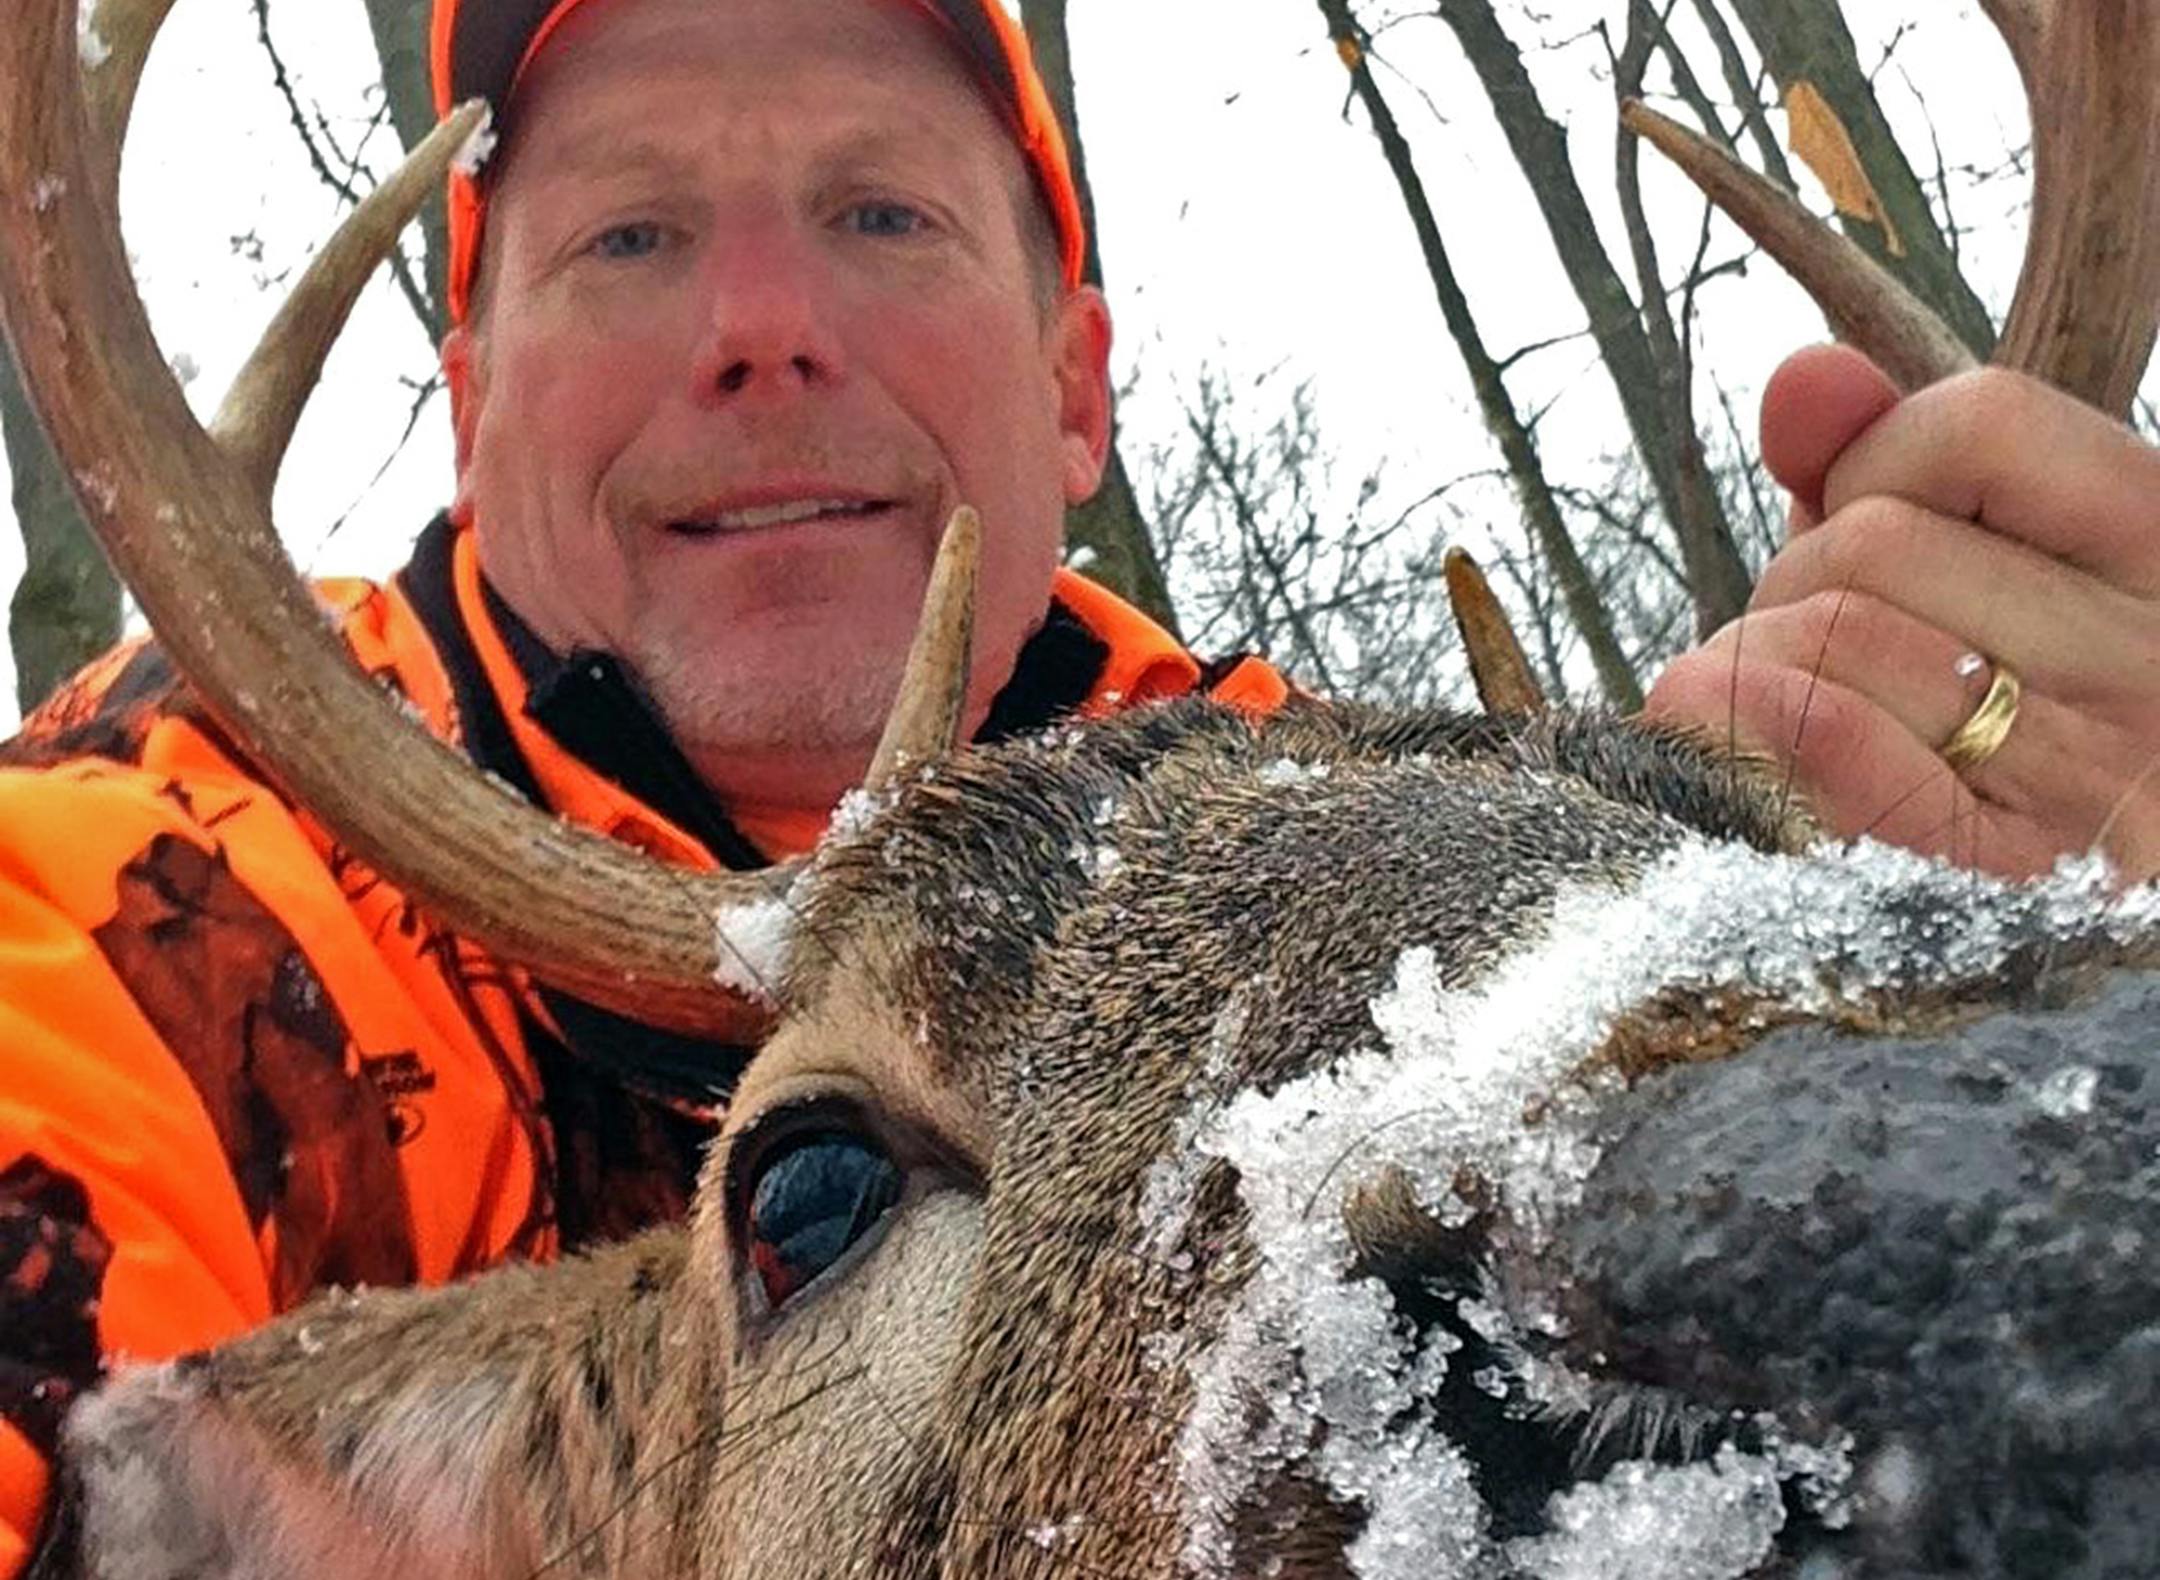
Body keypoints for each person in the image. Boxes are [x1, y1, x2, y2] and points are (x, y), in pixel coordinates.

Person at [1, 0, 2155, 1568]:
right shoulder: (138, 911)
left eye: (879, 212)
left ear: (1074, 382)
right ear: (470, 409)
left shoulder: (1379, 809)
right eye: (629, 239)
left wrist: (2049, 945)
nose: (762, 324)